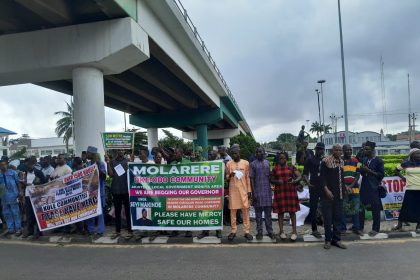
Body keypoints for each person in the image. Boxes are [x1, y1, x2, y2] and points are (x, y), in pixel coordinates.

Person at [320, 144, 347, 249]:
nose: (339, 152)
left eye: (340, 150)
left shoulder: (342, 161)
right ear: (332, 150)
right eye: (337, 150)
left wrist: (345, 189)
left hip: (339, 195)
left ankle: (337, 240)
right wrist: (326, 190)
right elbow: (322, 178)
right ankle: (327, 240)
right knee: (328, 219)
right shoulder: (326, 161)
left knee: (337, 219)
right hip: (328, 195)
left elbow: (342, 178)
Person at [271, 151, 301, 241]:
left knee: (292, 212)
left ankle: (294, 232)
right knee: (281, 213)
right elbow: (271, 179)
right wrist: (277, 182)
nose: (282, 159)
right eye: (280, 158)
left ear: (286, 159)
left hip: (290, 192)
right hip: (280, 192)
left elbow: (299, 176)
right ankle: (281, 232)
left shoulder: (291, 167)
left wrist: (295, 181)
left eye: (283, 158)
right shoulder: (275, 169)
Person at [225, 144, 253, 241]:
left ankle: (246, 232)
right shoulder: (229, 164)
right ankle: (233, 231)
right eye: (232, 153)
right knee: (233, 212)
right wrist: (231, 175)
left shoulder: (246, 163)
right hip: (233, 191)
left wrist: (249, 191)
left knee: (245, 211)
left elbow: (248, 178)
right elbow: (227, 178)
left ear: (239, 152)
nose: (234, 155)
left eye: (236, 153)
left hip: (244, 191)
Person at [105, 149, 133, 240]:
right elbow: (110, 174)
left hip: (126, 190)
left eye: (122, 150)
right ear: (117, 151)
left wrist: (132, 163)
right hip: (116, 190)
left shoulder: (128, 161)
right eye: (119, 150)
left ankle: (130, 231)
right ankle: (118, 231)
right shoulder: (112, 162)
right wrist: (108, 163)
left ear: (124, 151)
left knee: (128, 212)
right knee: (117, 211)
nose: (121, 151)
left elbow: (132, 173)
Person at [359, 141, 384, 237]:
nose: (364, 150)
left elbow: (381, 175)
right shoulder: (364, 160)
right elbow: (362, 173)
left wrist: (368, 170)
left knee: (375, 209)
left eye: (367, 149)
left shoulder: (378, 161)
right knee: (361, 208)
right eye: (364, 149)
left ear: (372, 150)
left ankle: (375, 229)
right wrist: (362, 171)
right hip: (364, 187)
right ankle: (360, 228)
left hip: (374, 188)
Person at [392, 148, 420, 233]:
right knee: (405, 208)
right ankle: (399, 226)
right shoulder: (406, 163)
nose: (419, 155)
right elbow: (396, 170)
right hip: (410, 189)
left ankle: (418, 227)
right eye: (417, 154)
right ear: (412, 155)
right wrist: (403, 178)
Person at [250, 147, 274, 240]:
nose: (258, 153)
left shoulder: (267, 163)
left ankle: (270, 231)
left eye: (260, 152)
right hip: (258, 192)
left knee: (268, 214)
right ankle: (259, 232)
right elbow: (251, 178)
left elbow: (270, 177)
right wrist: (253, 193)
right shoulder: (253, 164)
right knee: (258, 214)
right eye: (257, 152)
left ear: (264, 153)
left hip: (267, 192)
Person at [197, 150, 223, 239]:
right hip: (205, 192)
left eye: (211, 154)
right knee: (205, 213)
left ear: (216, 156)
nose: (209, 155)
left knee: (216, 212)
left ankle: (218, 231)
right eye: (209, 154)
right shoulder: (205, 165)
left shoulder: (220, 165)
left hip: (216, 193)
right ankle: (205, 231)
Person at [303, 142, 325, 238]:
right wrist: (308, 183)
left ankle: (327, 227)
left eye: (321, 149)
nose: (320, 150)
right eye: (318, 148)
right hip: (314, 186)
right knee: (313, 207)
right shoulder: (310, 159)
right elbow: (305, 173)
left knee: (326, 207)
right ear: (315, 149)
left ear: (323, 150)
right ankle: (314, 229)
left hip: (324, 187)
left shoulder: (325, 160)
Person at [169, 147, 192, 238]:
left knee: (186, 211)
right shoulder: (172, 164)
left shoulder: (188, 162)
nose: (175, 154)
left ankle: (188, 230)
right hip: (175, 191)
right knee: (175, 211)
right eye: (174, 153)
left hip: (185, 191)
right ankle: (175, 230)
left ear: (181, 154)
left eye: (177, 153)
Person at [21, 158, 47, 239]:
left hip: (37, 197)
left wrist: (36, 183)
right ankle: (30, 231)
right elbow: (24, 184)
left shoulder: (38, 172)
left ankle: (39, 232)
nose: (26, 168)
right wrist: (24, 184)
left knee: (37, 215)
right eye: (25, 166)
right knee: (29, 215)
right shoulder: (25, 173)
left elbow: (45, 183)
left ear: (31, 164)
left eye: (27, 166)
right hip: (28, 196)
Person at [340, 144, 362, 235]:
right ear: (343, 151)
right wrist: (345, 186)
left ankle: (356, 228)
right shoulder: (339, 161)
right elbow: (339, 175)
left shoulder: (355, 160)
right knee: (343, 209)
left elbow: (358, 174)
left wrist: (351, 185)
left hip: (355, 188)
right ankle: (342, 229)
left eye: (350, 150)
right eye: (347, 150)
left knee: (355, 209)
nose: (349, 151)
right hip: (343, 189)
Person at [85, 146, 107, 237]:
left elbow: (104, 176)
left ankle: (100, 230)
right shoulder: (88, 164)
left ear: (92, 154)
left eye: (88, 153)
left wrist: (97, 166)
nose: (86, 154)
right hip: (90, 192)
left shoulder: (101, 163)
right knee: (90, 211)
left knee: (99, 213)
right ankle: (91, 229)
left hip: (99, 192)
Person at [0, 158, 22, 236]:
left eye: (4, 164)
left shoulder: (12, 173)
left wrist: (20, 192)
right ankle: (10, 228)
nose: (3, 166)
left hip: (13, 195)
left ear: (7, 165)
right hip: (3, 197)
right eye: (1, 165)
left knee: (15, 212)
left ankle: (18, 229)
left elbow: (18, 182)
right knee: (7, 213)